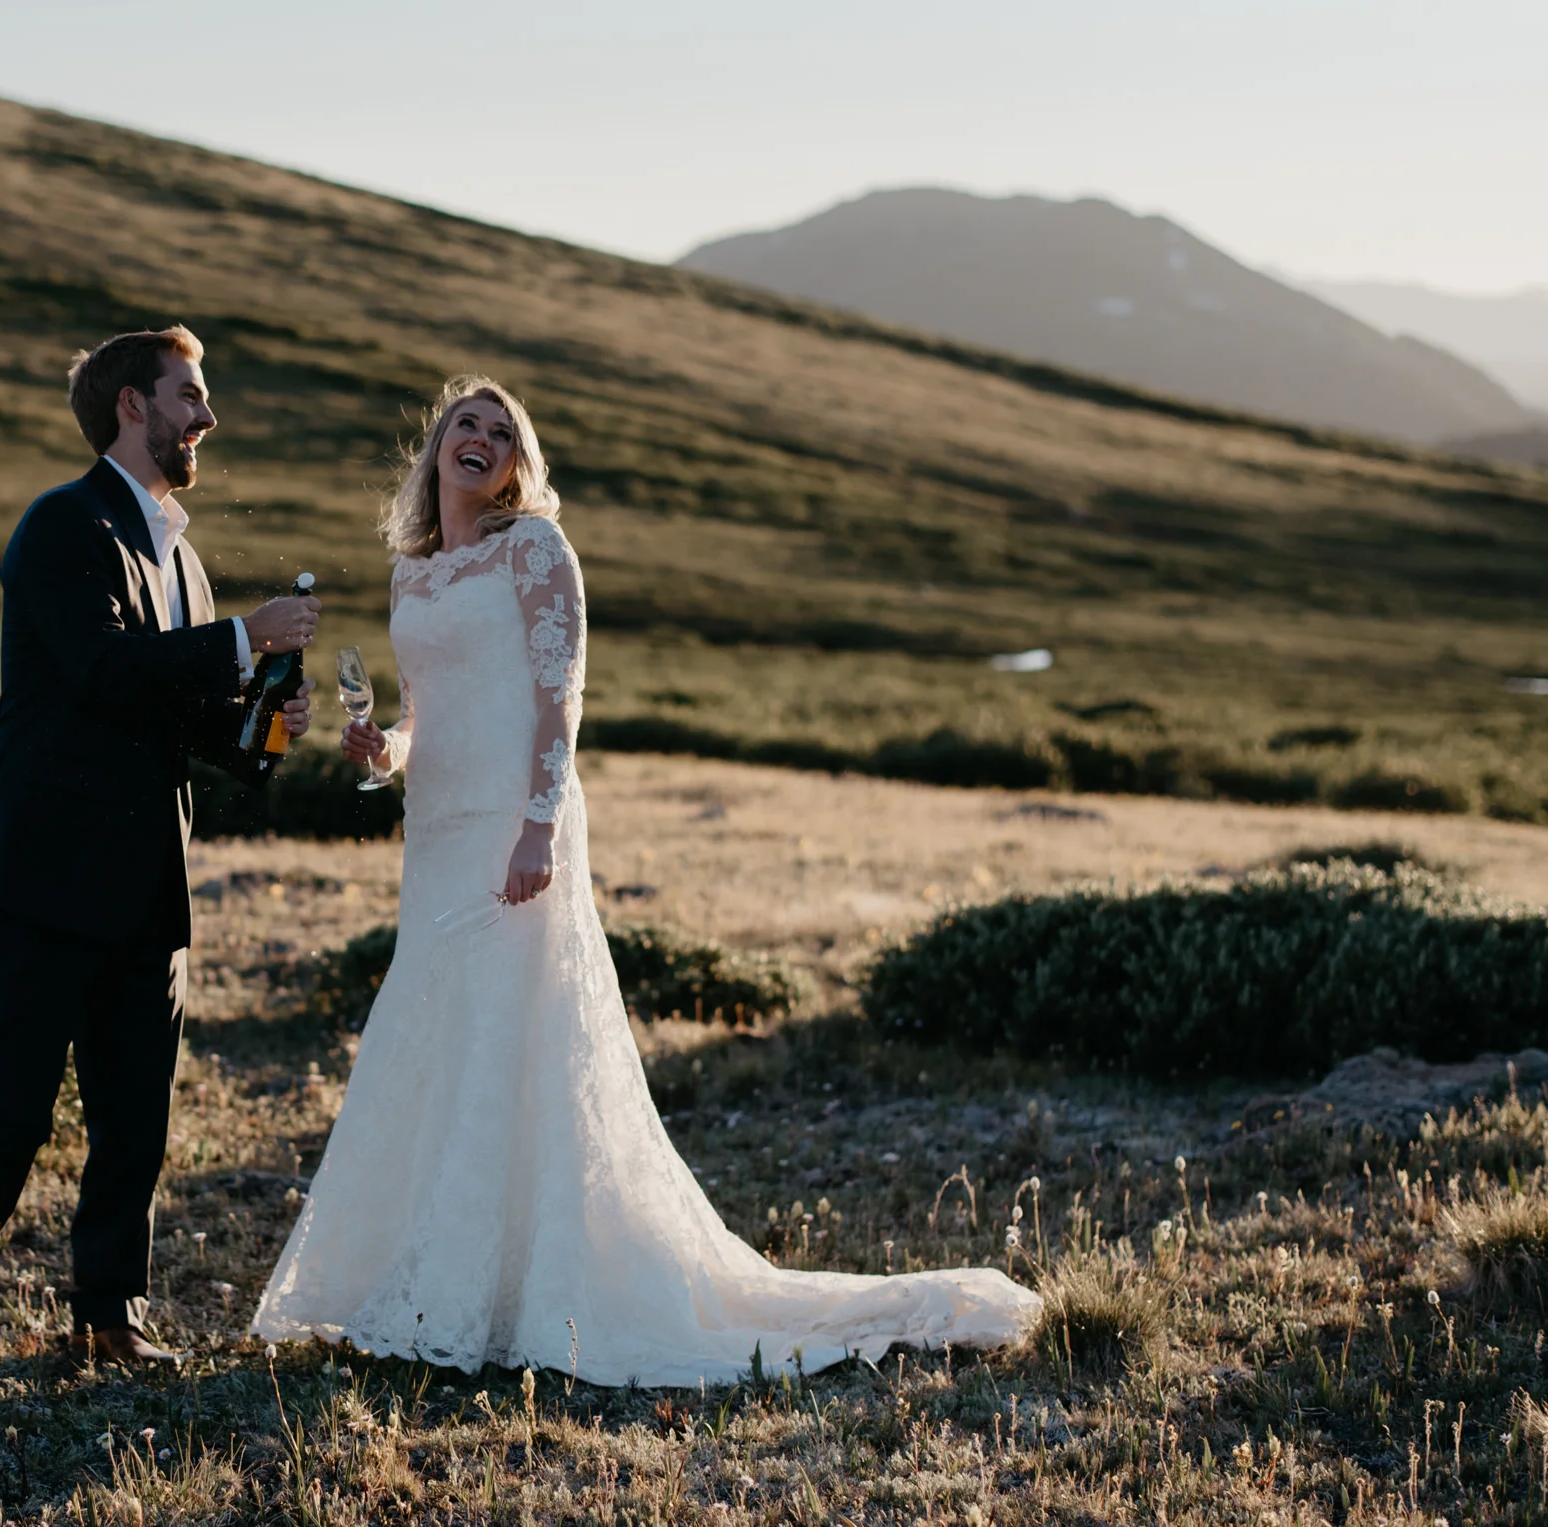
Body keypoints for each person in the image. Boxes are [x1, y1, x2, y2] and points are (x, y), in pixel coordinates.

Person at [250, 376, 1038, 1384]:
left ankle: (518, 1288)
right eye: (465, 425)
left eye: (502, 431)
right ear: (435, 448)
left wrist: (537, 826)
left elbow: (557, 699)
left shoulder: (536, 550)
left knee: (509, 1033)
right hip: (436, 837)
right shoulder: (413, 574)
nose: (481, 439)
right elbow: (425, 717)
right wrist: (381, 751)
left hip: (514, 830)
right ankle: (437, 1281)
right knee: (438, 1033)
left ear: (518, 463)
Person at [0, 325, 318, 1370]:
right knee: (12, 1105)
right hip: (43, 871)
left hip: (148, 879)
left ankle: (110, 1314)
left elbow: (184, 726)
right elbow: (102, 671)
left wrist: (264, 722)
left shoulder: (182, 553)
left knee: (136, 1111)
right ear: (132, 404)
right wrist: (243, 639)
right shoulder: (60, 525)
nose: (205, 417)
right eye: (190, 394)